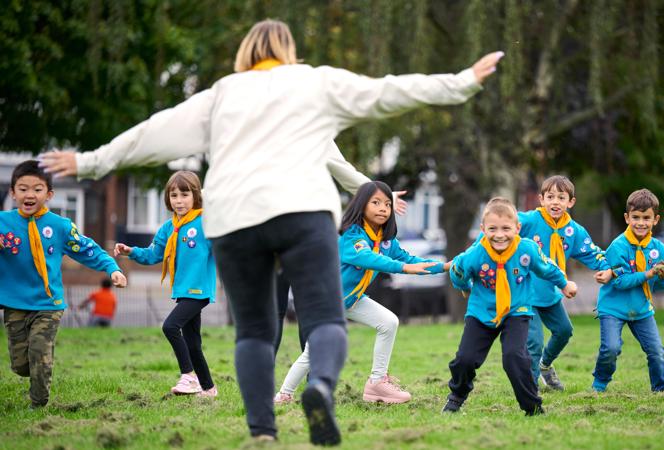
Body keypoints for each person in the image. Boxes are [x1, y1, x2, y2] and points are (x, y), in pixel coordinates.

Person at [38, 18, 502, 445]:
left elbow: (155, 132)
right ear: (289, 51)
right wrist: (462, 82)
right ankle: (319, 387)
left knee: (256, 331)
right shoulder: (314, 83)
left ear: (245, 54)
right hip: (302, 212)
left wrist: (91, 161)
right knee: (323, 319)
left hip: (235, 219)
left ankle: (262, 430)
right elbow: (388, 92)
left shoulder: (223, 92)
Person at [274, 181, 445, 405]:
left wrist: (445, 266)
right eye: (375, 203)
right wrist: (403, 268)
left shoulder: (385, 240)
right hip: (326, 300)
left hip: (352, 299)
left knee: (388, 322)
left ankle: (376, 383)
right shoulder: (352, 237)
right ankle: (284, 395)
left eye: (387, 204)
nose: (383, 208)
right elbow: (370, 259)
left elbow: (410, 259)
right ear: (361, 206)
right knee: (313, 351)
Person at [0, 160, 127, 408]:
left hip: (48, 304)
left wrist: (112, 268)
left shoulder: (60, 227)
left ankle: (38, 402)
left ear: (49, 195)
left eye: (37, 189)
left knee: (39, 351)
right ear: (12, 192)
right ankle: (37, 367)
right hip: (14, 303)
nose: (29, 194)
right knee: (20, 365)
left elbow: (91, 250)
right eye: (23, 188)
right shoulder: (2, 223)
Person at [443, 198, 576, 415]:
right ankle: (457, 396)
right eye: (493, 228)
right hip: (481, 312)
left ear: (517, 228)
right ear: (483, 229)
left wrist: (564, 283)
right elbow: (457, 272)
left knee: (515, 358)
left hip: (517, 311)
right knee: (465, 359)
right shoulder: (475, 254)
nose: (499, 234)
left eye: (506, 228)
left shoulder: (527, 250)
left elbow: (547, 267)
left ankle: (532, 406)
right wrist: (465, 287)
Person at [273, 143, 409, 355]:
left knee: (306, 310)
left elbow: (341, 168)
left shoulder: (313, 127)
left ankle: (314, 378)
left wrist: (381, 195)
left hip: (306, 233)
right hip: (276, 233)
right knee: (275, 311)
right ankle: (270, 384)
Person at [114, 171, 217, 398]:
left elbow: (226, 247)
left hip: (198, 290)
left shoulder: (206, 223)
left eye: (185, 194)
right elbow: (153, 254)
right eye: (174, 195)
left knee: (170, 326)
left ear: (196, 196)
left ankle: (188, 376)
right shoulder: (169, 228)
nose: (179, 200)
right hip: (182, 290)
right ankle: (209, 389)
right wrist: (131, 251)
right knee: (192, 343)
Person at [517, 175, 611, 391]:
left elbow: (592, 253)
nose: (555, 202)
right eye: (550, 197)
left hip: (550, 295)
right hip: (526, 294)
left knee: (564, 331)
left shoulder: (574, 231)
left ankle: (545, 365)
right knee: (534, 343)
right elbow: (501, 227)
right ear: (541, 199)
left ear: (571, 202)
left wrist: (607, 268)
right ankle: (530, 390)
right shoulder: (530, 221)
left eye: (561, 197)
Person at [592, 188, 664, 393]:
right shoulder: (617, 247)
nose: (641, 222)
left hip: (641, 309)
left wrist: (663, 276)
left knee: (656, 351)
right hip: (613, 308)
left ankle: (661, 388)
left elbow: (663, 286)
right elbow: (620, 282)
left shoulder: (659, 249)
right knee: (611, 348)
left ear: (655, 220)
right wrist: (648, 273)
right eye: (636, 217)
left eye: (646, 218)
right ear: (627, 218)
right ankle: (599, 384)